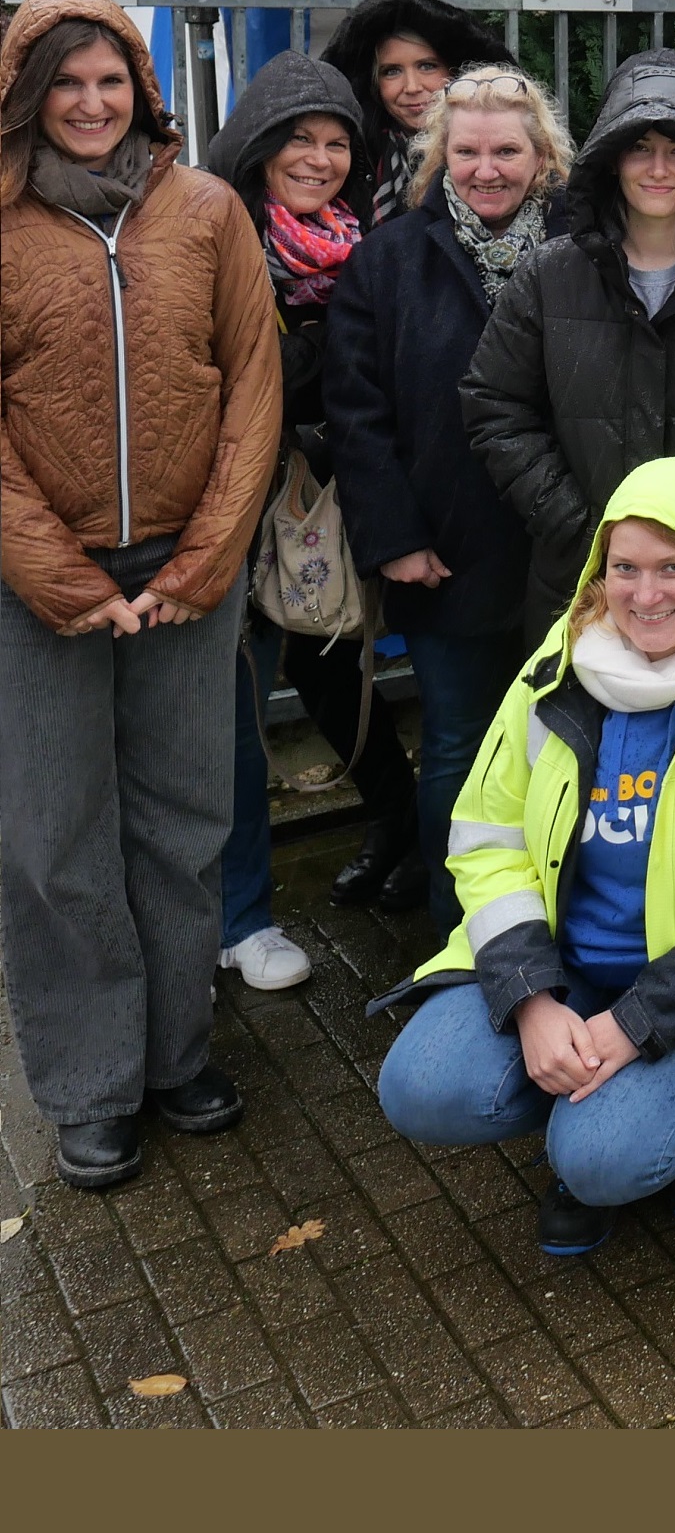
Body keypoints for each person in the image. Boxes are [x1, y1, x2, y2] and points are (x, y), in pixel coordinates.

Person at [374, 460, 675, 1258]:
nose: (645, 594)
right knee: (419, 1087)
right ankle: (587, 1095)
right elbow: (487, 838)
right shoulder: (557, 667)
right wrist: (531, 999)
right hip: (567, 969)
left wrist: (637, 1023)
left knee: (601, 1161)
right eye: (623, 568)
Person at [0, 0, 281, 1191]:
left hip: (184, 568)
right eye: (65, 82)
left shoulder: (207, 211)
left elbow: (252, 386)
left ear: (144, 88)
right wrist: (58, 578)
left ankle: (175, 1056)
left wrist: (204, 562)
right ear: (26, 93)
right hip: (34, 578)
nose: (90, 102)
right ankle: (92, 1085)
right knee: (55, 836)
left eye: (110, 80)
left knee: (182, 822)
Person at [327, 64, 575, 934]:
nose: (487, 168)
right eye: (467, 151)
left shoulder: (585, 249)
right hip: (446, 555)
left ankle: (559, 930)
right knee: (460, 752)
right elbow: (356, 413)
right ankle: (457, 936)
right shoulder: (389, 260)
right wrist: (393, 537)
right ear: (440, 158)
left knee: (566, 750)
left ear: (542, 156)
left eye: (507, 149)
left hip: (569, 551)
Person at [461, 61, 675, 634]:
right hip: (580, 578)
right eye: (640, 147)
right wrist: (580, 525)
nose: (658, 169)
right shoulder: (551, 274)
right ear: (612, 159)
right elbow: (493, 404)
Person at [207, 52, 424, 916]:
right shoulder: (217, 237)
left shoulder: (361, 245)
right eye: (300, 136)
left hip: (324, 493)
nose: (319, 158)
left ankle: (395, 816)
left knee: (336, 663)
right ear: (260, 142)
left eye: (339, 141)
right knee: (237, 706)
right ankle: (234, 905)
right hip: (232, 500)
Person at [323, 0, 513, 222]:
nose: (412, 87)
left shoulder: (502, 152)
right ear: (375, 84)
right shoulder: (357, 154)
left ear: (458, 74)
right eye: (392, 71)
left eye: (427, 66)